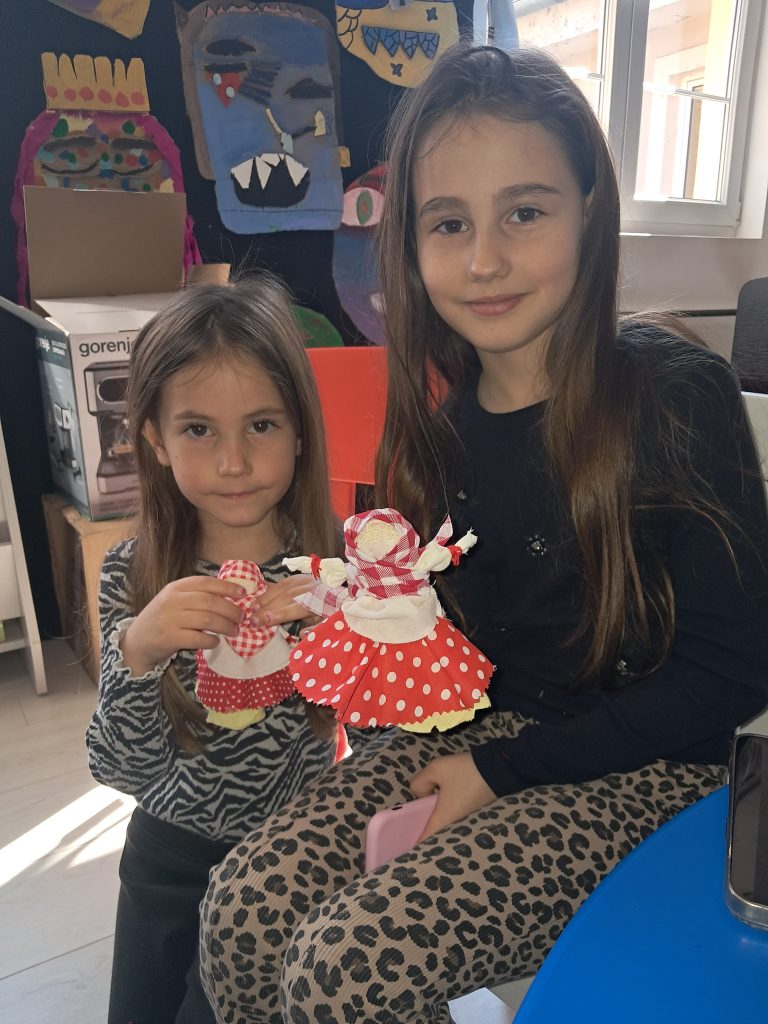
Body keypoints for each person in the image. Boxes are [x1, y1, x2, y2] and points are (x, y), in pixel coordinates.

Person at [199, 46, 768, 1024]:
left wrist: (498, 773)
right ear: (411, 245)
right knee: (243, 910)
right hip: (482, 737)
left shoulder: (676, 396)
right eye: (449, 223)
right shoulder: (442, 428)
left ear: (590, 212)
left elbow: (734, 672)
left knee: (343, 969)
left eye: (525, 213)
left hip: (651, 770)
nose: (484, 260)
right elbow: (449, 643)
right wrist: (344, 634)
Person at [85, 275, 342, 1024]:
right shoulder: (131, 575)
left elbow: (385, 739)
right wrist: (138, 649)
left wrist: (346, 632)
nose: (234, 462)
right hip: (167, 862)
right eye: (199, 429)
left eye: (261, 425)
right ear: (155, 440)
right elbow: (119, 766)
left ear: (300, 431)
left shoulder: (332, 572)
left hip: (292, 863)